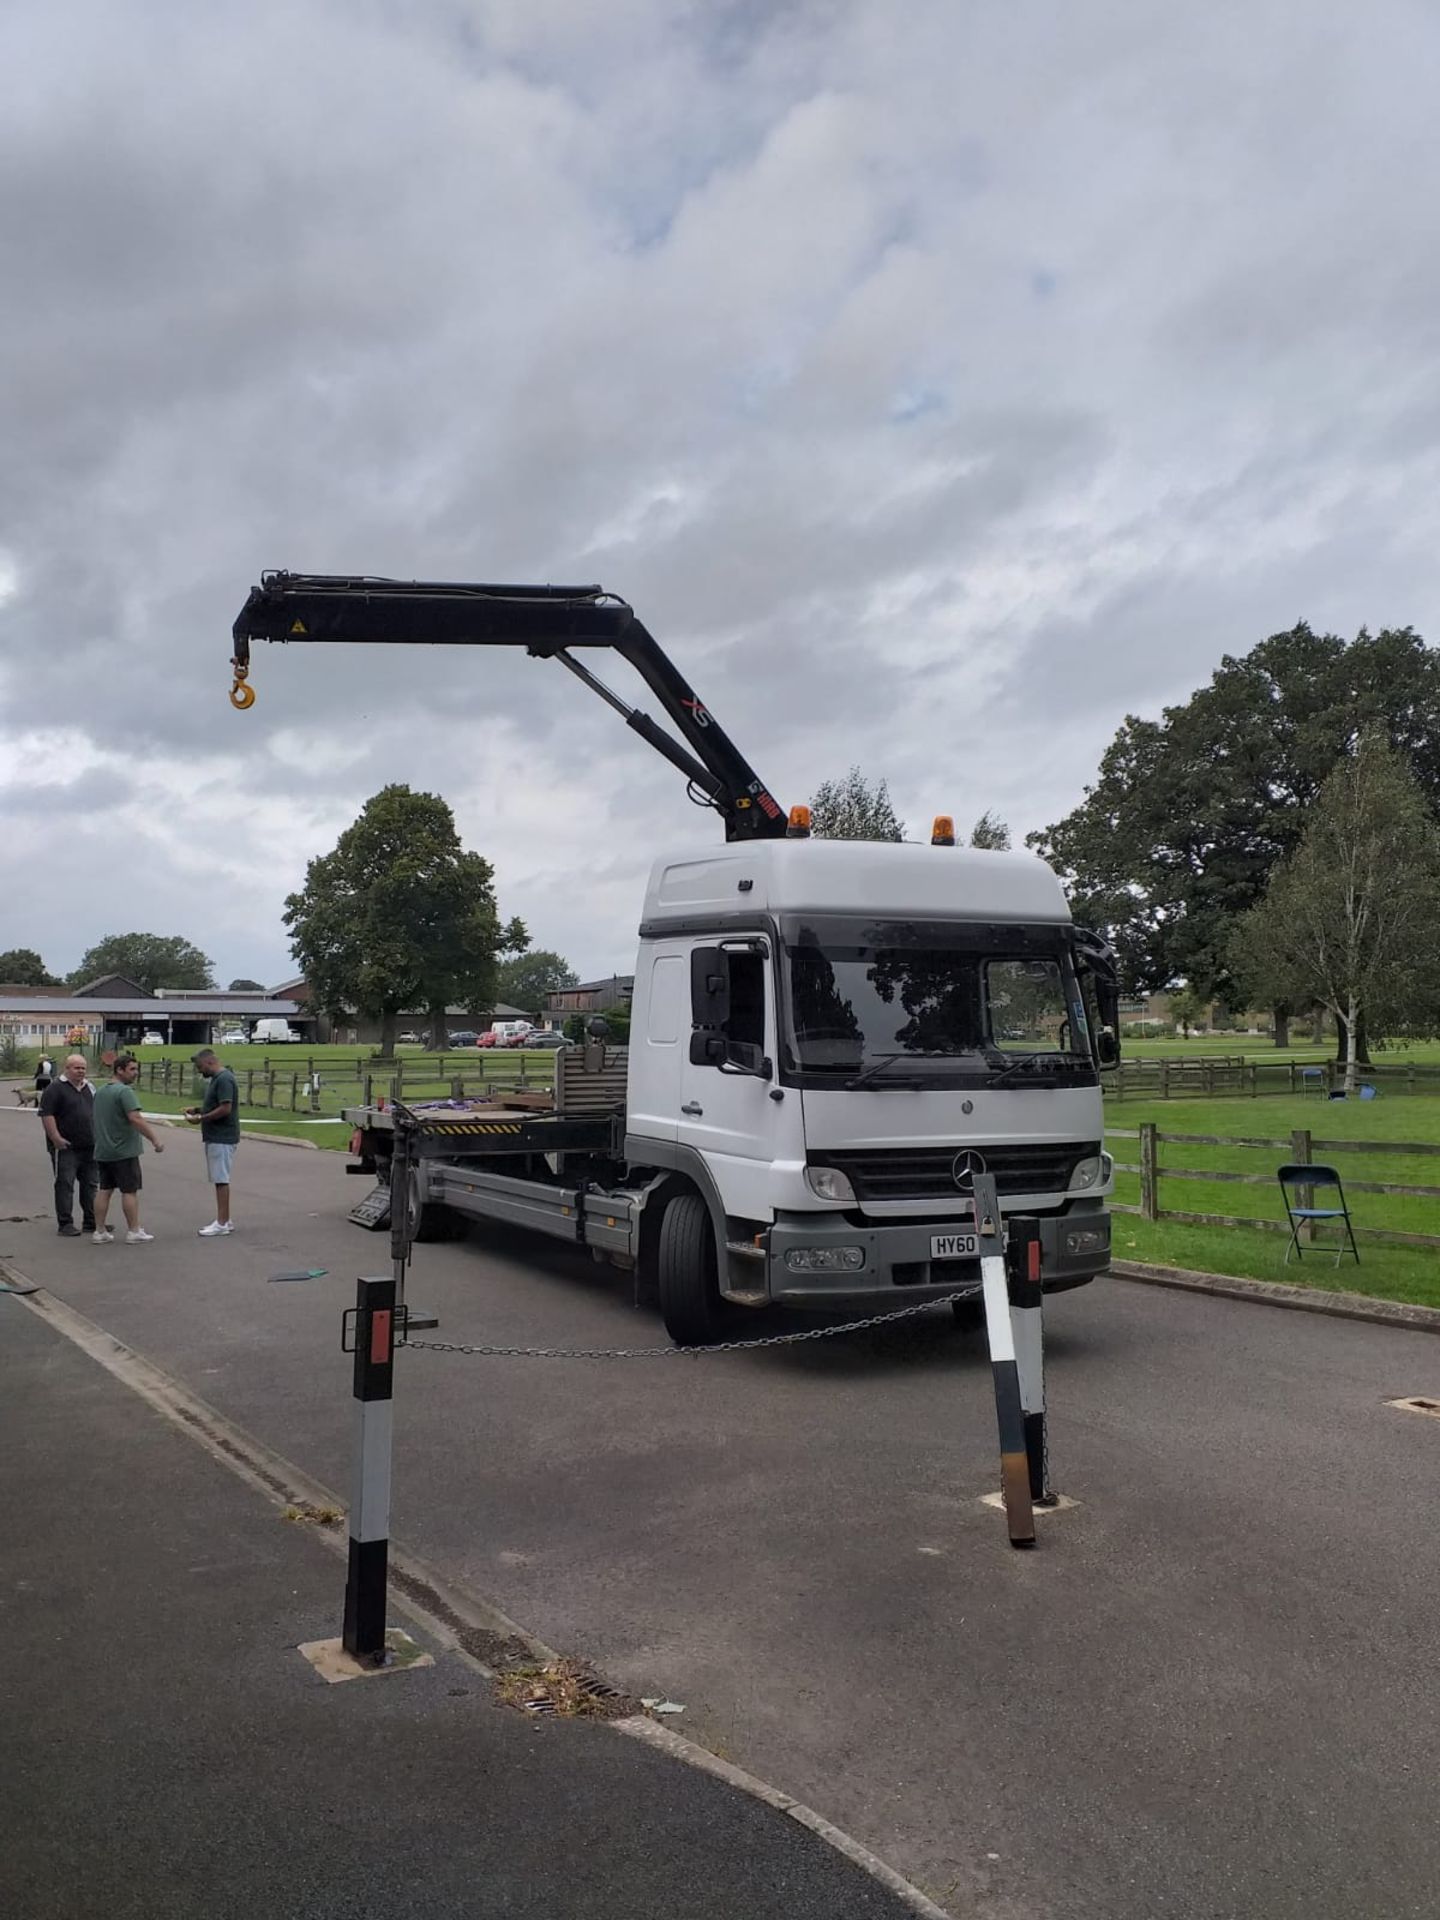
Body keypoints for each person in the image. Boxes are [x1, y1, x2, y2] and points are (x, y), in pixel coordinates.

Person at [91, 1053, 166, 1244]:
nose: (136, 1073)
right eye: (132, 1069)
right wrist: (154, 1139)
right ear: (119, 1070)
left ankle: (99, 1231)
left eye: (136, 1069)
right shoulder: (124, 1092)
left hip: (104, 1149)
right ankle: (134, 1230)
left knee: (105, 1189)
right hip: (123, 1150)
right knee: (129, 1190)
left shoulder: (100, 1092)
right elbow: (135, 1118)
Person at [39, 1053, 97, 1237]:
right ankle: (65, 1223)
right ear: (67, 1068)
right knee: (65, 1184)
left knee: (90, 1185)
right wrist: (55, 1138)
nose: (80, 1071)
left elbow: (95, 1113)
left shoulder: (90, 1088)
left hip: (89, 1145)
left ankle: (91, 1221)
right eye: (76, 1068)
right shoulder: (54, 1089)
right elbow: (46, 1115)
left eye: (83, 1068)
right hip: (65, 1147)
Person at [185, 1046, 239, 1236]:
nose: (199, 1071)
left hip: (221, 1136)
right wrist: (199, 1109)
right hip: (216, 1135)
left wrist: (201, 1119)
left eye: (200, 1066)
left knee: (220, 1179)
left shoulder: (224, 1079)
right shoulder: (218, 1079)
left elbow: (225, 1108)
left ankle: (222, 1223)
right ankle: (226, 1218)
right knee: (219, 1177)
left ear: (210, 1062)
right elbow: (215, 1104)